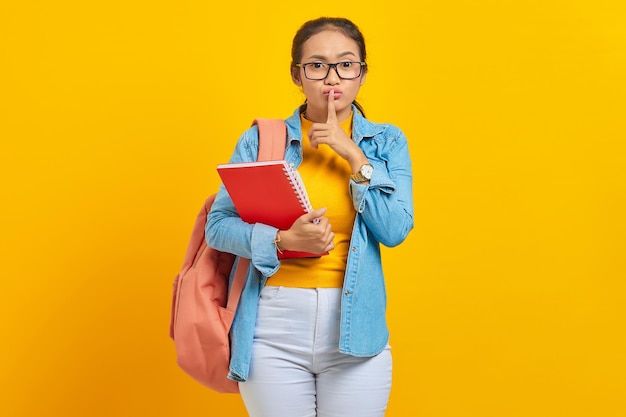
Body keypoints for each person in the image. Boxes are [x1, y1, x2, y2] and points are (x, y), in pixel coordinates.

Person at [206, 16, 414, 417]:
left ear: (362, 74)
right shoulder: (262, 141)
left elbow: (395, 229)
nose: (332, 77)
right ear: (297, 76)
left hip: (356, 327)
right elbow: (218, 227)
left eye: (346, 64)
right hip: (273, 327)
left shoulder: (387, 142)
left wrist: (353, 155)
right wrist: (281, 242)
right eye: (317, 65)